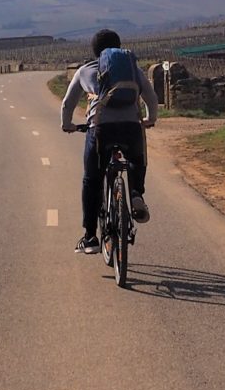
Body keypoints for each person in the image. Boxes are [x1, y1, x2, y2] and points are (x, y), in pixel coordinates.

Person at [60, 28, 159, 254]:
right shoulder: (132, 69)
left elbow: (67, 103)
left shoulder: (85, 70)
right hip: (131, 127)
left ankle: (90, 237)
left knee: (91, 179)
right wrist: (149, 119)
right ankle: (136, 194)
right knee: (136, 159)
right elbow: (151, 98)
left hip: (100, 129)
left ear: (95, 51)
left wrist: (67, 125)